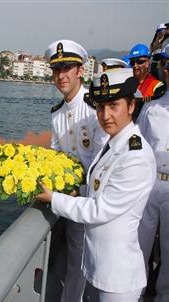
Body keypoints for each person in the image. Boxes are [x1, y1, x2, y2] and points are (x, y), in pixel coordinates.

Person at [37, 68, 156, 301]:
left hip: (118, 278)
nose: (105, 115)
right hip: (98, 267)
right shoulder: (112, 145)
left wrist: (55, 199)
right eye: (101, 107)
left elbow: (101, 209)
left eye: (114, 106)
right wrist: (77, 191)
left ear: (131, 106)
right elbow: (98, 190)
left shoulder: (135, 155)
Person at [44, 39, 108, 302]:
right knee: (72, 260)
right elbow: (55, 155)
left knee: (82, 264)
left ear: (80, 71)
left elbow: (102, 158)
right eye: (56, 70)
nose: (61, 75)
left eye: (67, 68)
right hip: (66, 200)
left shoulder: (94, 108)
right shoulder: (57, 113)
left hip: (89, 201)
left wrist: (76, 189)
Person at [138, 37, 169, 302]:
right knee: (139, 245)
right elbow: (140, 150)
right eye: (167, 66)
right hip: (151, 185)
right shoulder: (151, 109)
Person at [128, 43, 165, 119]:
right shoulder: (128, 85)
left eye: (139, 62)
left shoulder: (157, 86)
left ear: (148, 63)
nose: (135, 65)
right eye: (132, 62)